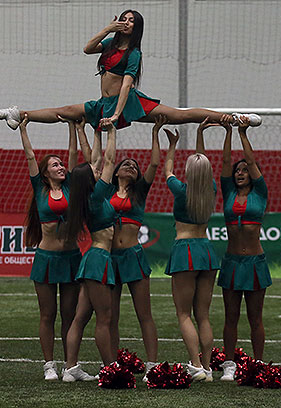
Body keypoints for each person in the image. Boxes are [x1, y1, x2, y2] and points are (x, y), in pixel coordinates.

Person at [0, 10, 261, 131]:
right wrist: (107, 28)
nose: (127, 22)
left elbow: (127, 85)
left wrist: (117, 115)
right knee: (66, 112)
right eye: (124, 18)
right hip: (105, 102)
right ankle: (17, 114)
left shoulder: (134, 54)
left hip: (126, 102)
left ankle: (234, 118)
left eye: (132, 20)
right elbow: (87, 48)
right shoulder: (109, 43)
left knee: (181, 116)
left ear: (137, 27)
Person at [162, 117, 228, 382]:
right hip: (206, 251)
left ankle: (196, 364)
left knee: (183, 313)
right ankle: (208, 368)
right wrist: (200, 134)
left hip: (185, 250)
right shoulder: (211, 189)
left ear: (189, 172)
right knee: (203, 315)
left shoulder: (180, 190)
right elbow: (203, 163)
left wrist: (172, 145)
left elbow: (167, 170)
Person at [18, 113, 81, 381]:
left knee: (69, 315)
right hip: (46, 259)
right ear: (45, 173)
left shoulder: (71, 187)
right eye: (55, 165)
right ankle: (49, 366)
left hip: (71, 258)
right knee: (48, 315)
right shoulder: (40, 188)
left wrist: (71, 126)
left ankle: (70, 367)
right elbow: (31, 157)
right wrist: (23, 129)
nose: (60, 167)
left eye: (61, 164)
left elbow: (73, 155)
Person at [107, 115, 166, 381]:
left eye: (134, 166)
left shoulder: (139, 193)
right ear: (116, 171)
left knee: (145, 315)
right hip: (110, 258)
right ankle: (113, 363)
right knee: (111, 316)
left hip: (133, 256)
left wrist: (155, 133)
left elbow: (153, 163)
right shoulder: (106, 191)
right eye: (126, 164)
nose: (131, 166)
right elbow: (102, 161)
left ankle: (152, 365)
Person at [60, 120, 119, 382]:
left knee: (80, 317)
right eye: (95, 171)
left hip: (95, 258)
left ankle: (70, 368)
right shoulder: (95, 197)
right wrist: (112, 132)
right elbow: (108, 160)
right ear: (90, 180)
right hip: (98, 259)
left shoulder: (89, 196)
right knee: (104, 318)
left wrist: (94, 132)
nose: (98, 170)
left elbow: (94, 159)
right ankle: (110, 369)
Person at [216, 115, 271, 382]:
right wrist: (227, 132)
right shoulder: (228, 192)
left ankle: (258, 363)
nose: (240, 173)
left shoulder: (260, 193)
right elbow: (226, 163)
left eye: (244, 170)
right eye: (237, 171)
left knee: (255, 318)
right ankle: (229, 364)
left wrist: (242, 133)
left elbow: (250, 160)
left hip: (255, 263)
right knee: (231, 316)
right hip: (232, 262)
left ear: (253, 174)